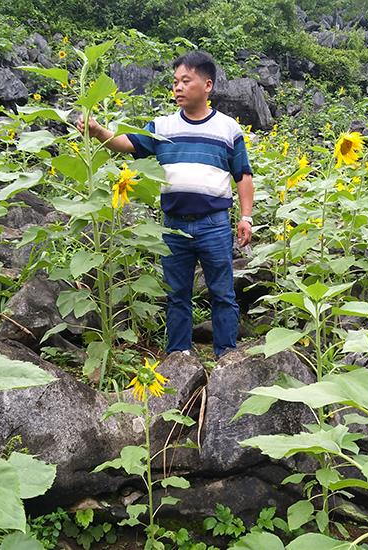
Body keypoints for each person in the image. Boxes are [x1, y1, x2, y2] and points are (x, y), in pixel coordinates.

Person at [76, 50, 254, 358]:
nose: (178, 88)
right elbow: (128, 144)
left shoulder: (228, 129)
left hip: (213, 223)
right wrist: (98, 131)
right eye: (175, 82)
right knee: (177, 294)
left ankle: (226, 356)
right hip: (174, 223)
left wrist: (246, 217)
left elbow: (243, 176)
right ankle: (179, 357)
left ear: (207, 85)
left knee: (223, 293)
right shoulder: (162, 127)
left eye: (186, 80)